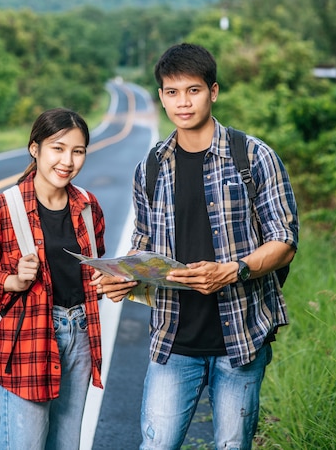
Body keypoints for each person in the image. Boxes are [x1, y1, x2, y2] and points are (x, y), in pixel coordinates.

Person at [93, 43, 298, 450]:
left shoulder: (254, 157)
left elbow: (285, 241)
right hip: (174, 342)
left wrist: (234, 269)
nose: (182, 102)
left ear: (213, 91)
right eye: (172, 92)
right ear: (161, 98)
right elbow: (143, 248)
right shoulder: (149, 167)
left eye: (193, 90)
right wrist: (123, 281)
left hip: (240, 338)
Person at [0, 108, 105, 450]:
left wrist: (111, 279)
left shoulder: (88, 206)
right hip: (28, 339)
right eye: (57, 147)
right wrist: (11, 281)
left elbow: (95, 267)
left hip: (81, 335)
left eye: (77, 150)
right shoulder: (2, 209)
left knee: (67, 444)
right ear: (35, 149)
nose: (67, 160)